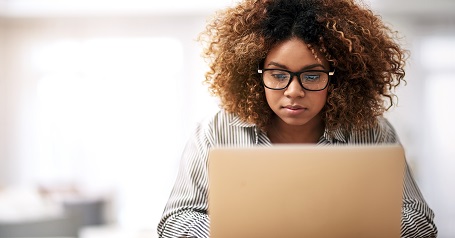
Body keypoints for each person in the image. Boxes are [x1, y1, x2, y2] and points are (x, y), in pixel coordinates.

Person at [157, 0, 438, 237]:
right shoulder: (216, 130)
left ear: (338, 79)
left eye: (312, 75)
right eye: (278, 75)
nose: (294, 91)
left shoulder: (372, 131)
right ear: (255, 77)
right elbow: (176, 219)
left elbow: (420, 221)